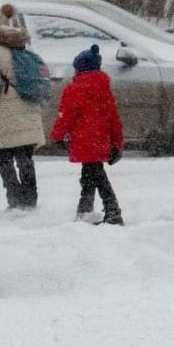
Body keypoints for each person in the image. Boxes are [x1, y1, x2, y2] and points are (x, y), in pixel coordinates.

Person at [52, 44, 125, 225]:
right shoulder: (104, 89)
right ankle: (85, 209)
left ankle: (111, 210)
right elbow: (113, 118)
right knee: (90, 174)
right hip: (100, 142)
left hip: (83, 141)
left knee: (97, 176)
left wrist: (57, 136)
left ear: (80, 68)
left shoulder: (74, 90)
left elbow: (65, 116)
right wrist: (117, 143)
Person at [0, 4, 44, 209]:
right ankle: (31, 197)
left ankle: (14, 197)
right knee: (25, 156)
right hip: (27, 106)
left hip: (6, 110)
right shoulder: (20, 45)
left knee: (3, 156)